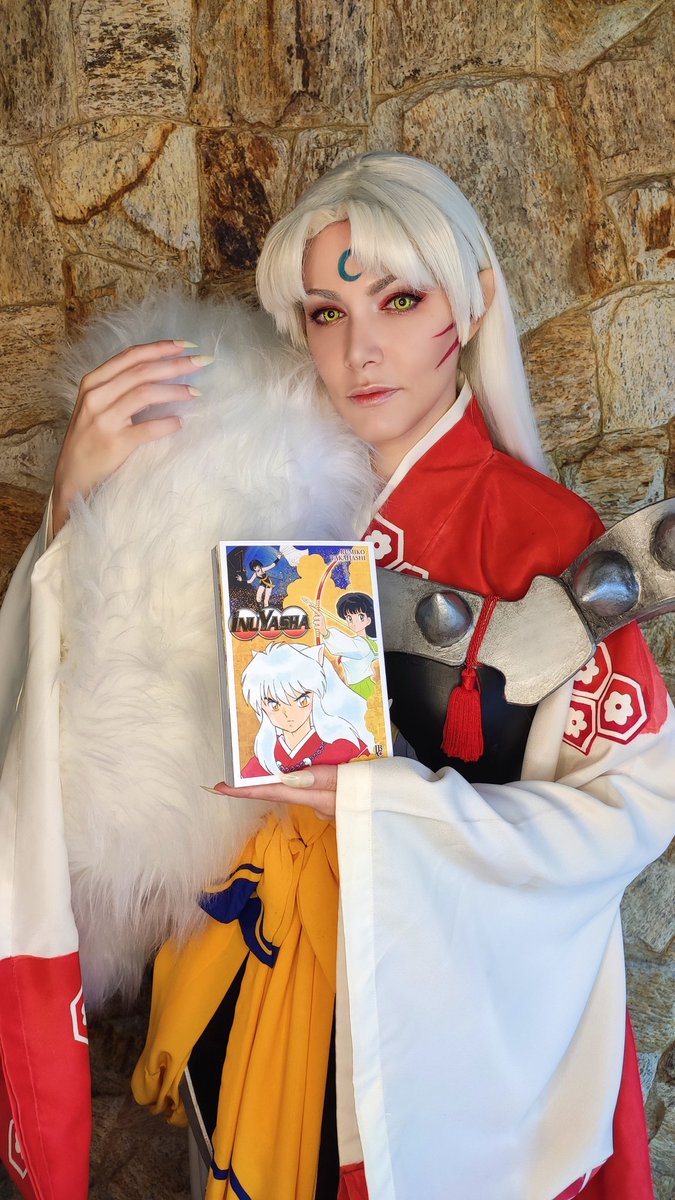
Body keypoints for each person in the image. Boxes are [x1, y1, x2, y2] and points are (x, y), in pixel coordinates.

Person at [2, 152, 673, 1200]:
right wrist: (78, 510)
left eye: (399, 301)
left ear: (471, 305)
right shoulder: (235, 478)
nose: (360, 350)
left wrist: (387, 810)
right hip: (256, 987)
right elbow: (82, 717)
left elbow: (636, 808)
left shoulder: (545, 539)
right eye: (326, 313)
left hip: (444, 1039)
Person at [239, 641, 371, 776]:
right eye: (275, 705)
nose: (288, 714)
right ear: (261, 706)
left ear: (315, 697)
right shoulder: (261, 763)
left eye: (302, 701)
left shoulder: (345, 747)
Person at [312, 592, 378, 700]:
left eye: (360, 617)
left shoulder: (363, 645)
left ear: (369, 620)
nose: (354, 622)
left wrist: (325, 632)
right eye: (349, 618)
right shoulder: (367, 642)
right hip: (357, 687)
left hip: (363, 688)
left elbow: (347, 645)